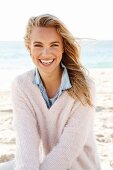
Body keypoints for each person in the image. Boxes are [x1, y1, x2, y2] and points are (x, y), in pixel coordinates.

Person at [0, 13, 101, 170]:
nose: (46, 53)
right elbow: (26, 145)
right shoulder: (21, 86)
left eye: (54, 45)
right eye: (38, 45)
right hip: (43, 165)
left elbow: (67, 151)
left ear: (62, 48)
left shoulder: (84, 87)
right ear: (29, 48)